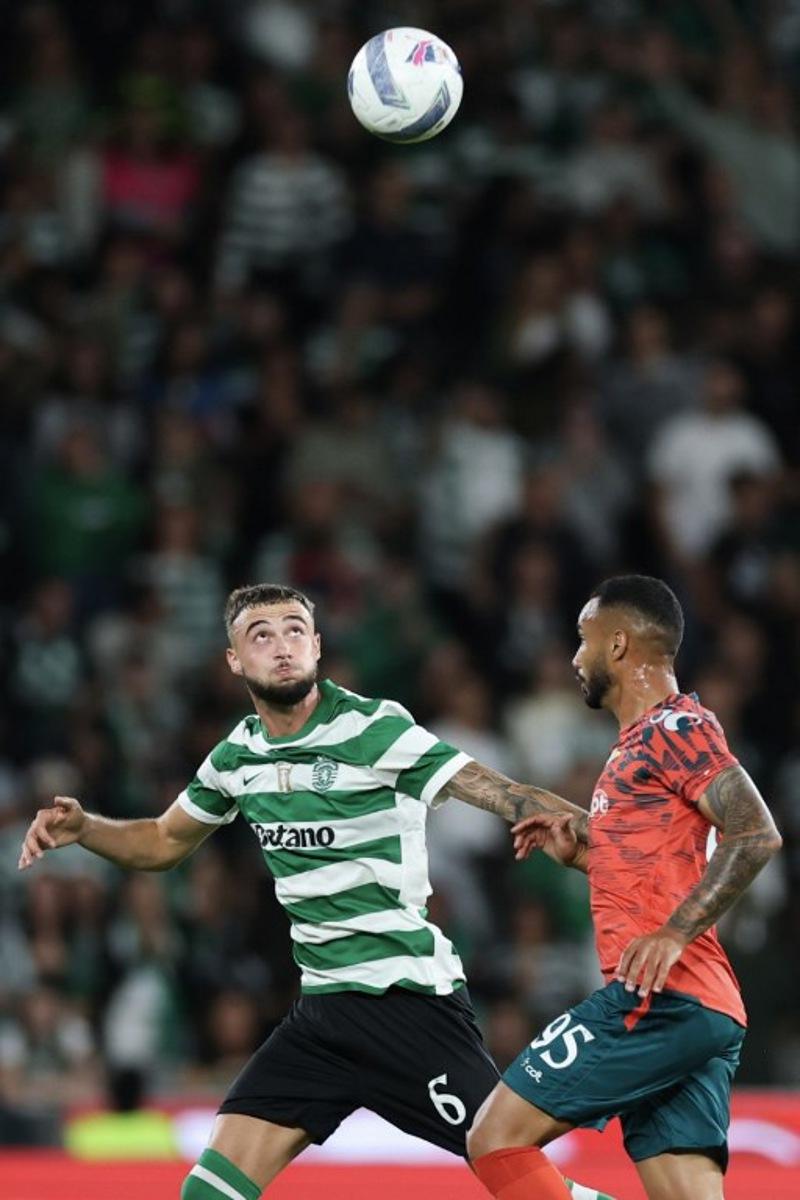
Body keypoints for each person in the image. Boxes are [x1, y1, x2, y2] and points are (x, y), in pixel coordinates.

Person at [18, 582, 615, 1200]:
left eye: (296, 630)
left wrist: (616, 855)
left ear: (318, 646)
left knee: (526, 1185)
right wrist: (86, 828)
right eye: (262, 635)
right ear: (233, 660)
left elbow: (503, 792)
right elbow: (164, 842)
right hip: (321, 1020)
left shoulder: (374, 728)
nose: (283, 646)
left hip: (405, 1004)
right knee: (207, 1193)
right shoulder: (236, 757)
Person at [466, 575, 782, 1200]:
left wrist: (673, 934)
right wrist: (585, 850)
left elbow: (756, 833)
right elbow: (661, 864)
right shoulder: (640, 745)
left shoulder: (674, 728)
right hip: (703, 1009)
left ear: (617, 646)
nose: (573, 657)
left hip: (660, 997)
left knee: (494, 1138)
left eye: (581, 640)